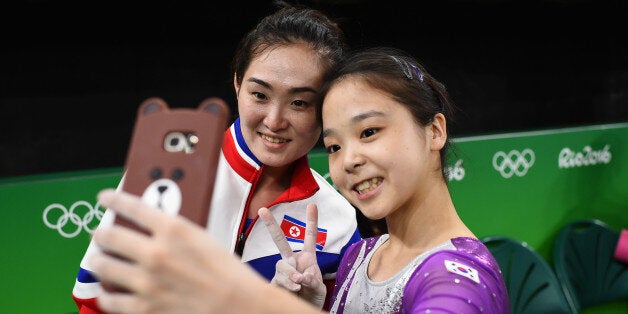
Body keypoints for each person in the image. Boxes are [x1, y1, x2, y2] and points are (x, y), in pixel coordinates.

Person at [71, 2, 361, 313]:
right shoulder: (165, 174)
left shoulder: (339, 221)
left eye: (300, 103)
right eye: (260, 95)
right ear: (238, 83)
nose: (275, 121)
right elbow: (94, 301)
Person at [260, 46, 510, 312]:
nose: (348, 161)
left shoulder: (459, 279)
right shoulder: (359, 257)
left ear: (435, 131)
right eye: (334, 146)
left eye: (368, 132)